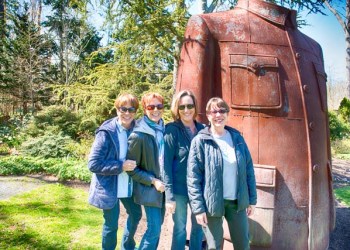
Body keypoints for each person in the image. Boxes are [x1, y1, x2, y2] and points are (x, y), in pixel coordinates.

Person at [187, 97, 257, 250]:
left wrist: (251, 199)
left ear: (227, 113)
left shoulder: (237, 138)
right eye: (214, 111)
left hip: (236, 202)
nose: (218, 115)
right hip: (212, 203)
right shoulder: (200, 141)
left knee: (243, 245)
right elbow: (193, 178)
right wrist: (198, 209)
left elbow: (248, 170)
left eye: (222, 110)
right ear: (208, 115)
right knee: (214, 247)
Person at [88, 93, 142, 250]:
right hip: (109, 187)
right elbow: (93, 164)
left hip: (129, 185)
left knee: (136, 214)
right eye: (122, 109)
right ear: (116, 109)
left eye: (131, 109)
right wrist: (120, 166)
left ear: (135, 111)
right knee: (111, 225)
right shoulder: (106, 132)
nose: (127, 113)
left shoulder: (137, 129)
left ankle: (127, 246)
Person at [163, 90, 204, 250]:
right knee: (180, 229)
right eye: (182, 107)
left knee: (198, 228)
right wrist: (169, 196)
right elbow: (165, 165)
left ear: (195, 107)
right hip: (179, 190)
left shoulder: (202, 129)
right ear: (176, 109)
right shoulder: (172, 130)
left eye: (190, 106)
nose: (186, 110)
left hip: (198, 190)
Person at [127, 92, 166, 250]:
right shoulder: (138, 134)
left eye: (159, 106)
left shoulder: (164, 129)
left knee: (157, 228)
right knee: (154, 230)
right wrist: (153, 181)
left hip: (163, 187)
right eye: (151, 106)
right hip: (149, 188)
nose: (155, 110)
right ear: (144, 109)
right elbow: (131, 169)